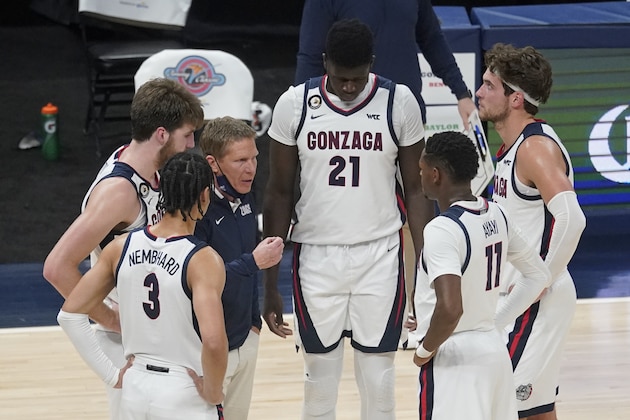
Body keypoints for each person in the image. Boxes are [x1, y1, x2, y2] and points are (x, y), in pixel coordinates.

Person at [262, 19, 433, 419]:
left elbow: (417, 190)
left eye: (357, 79)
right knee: (319, 381)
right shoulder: (295, 104)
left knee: (379, 381)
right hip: (316, 257)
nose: (350, 87)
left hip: (381, 255)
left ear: (372, 64)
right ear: (324, 64)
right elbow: (279, 193)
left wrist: (426, 271)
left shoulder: (399, 101)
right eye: (341, 78)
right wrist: (269, 284)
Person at [293, 0, 478, 348]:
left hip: (405, 121)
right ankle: (358, 308)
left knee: (417, 213)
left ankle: (418, 310)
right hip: (349, 125)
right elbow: (310, 54)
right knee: (367, 218)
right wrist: (304, 119)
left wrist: (461, 92)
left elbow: (432, 38)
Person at [43, 77, 204, 418]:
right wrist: (111, 318)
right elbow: (57, 267)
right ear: (162, 134)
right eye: (187, 135)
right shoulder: (119, 192)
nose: (191, 144)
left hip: (156, 322)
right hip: (127, 340)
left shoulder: (148, 166)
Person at [57, 152, 227, 419]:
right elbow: (215, 342)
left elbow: (69, 315)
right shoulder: (203, 260)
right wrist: (214, 392)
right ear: (205, 196)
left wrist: (112, 375)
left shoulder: (119, 247)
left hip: (135, 390)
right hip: (183, 391)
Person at [477, 43, 587, 420]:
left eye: (489, 85)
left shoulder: (534, 148)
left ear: (515, 99)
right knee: (534, 409)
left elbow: (572, 219)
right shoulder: (511, 147)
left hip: (538, 299)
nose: (479, 92)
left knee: (507, 406)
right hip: (527, 296)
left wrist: (540, 280)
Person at [412, 130, 551, 419]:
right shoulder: (498, 214)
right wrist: (496, 320)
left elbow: (450, 309)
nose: (420, 176)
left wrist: (424, 350)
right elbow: (539, 275)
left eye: (422, 170)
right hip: (494, 352)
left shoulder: (442, 229)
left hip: (454, 358)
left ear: (436, 175)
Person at [194, 116, 285, 419]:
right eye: (240, 160)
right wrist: (253, 263)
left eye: (254, 158)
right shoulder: (197, 208)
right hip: (209, 345)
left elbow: (247, 251)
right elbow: (195, 280)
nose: (251, 168)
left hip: (246, 335)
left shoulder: (246, 191)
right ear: (213, 163)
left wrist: (253, 323)